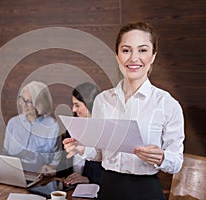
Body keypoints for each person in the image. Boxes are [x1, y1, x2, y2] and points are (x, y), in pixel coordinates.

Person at [63, 21, 185, 200]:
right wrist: (80, 147)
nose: (134, 58)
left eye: (142, 50)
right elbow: (99, 153)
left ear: (153, 56)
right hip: (108, 189)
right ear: (117, 55)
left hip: (147, 192)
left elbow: (176, 162)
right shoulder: (102, 100)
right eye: (126, 50)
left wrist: (161, 157)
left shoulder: (167, 104)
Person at [0, 81, 61, 175]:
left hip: (40, 181)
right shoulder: (13, 123)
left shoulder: (53, 127)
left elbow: (56, 164)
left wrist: (50, 169)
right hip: (13, 177)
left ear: (41, 103)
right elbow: (8, 155)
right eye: (22, 99)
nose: (24, 105)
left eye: (29, 101)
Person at [62, 82, 103, 186]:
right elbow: (66, 163)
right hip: (71, 187)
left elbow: (110, 168)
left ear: (89, 104)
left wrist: (88, 179)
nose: (73, 109)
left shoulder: (104, 131)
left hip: (94, 189)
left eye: (77, 105)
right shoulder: (71, 128)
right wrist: (52, 169)